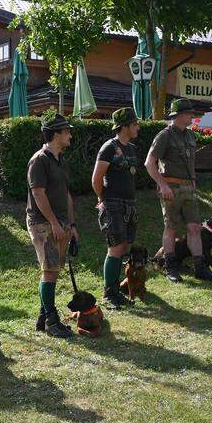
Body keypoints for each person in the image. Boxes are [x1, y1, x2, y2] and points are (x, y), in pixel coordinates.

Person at [145, 98, 212, 282]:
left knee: (194, 227)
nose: (192, 116)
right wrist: (162, 185)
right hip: (171, 186)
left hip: (188, 187)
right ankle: (170, 267)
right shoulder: (165, 135)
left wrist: (193, 180)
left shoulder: (190, 136)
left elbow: (190, 162)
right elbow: (149, 163)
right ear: (178, 115)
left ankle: (200, 267)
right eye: (188, 113)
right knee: (170, 228)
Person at [27, 113, 77, 338]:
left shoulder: (60, 160)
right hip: (42, 224)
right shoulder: (39, 160)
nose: (70, 135)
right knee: (49, 271)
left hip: (60, 223)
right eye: (66, 131)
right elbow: (38, 194)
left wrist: (71, 224)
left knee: (53, 271)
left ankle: (42, 316)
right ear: (56, 135)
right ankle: (51, 320)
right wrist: (54, 223)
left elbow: (66, 194)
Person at [91, 107, 142, 308]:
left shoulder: (131, 148)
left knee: (123, 247)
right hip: (113, 204)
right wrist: (101, 199)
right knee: (114, 248)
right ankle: (109, 293)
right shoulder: (109, 147)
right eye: (135, 124)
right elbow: (96, 178)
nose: (138, 127)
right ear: (126, 126)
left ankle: (116, 290)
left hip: (129, 204)